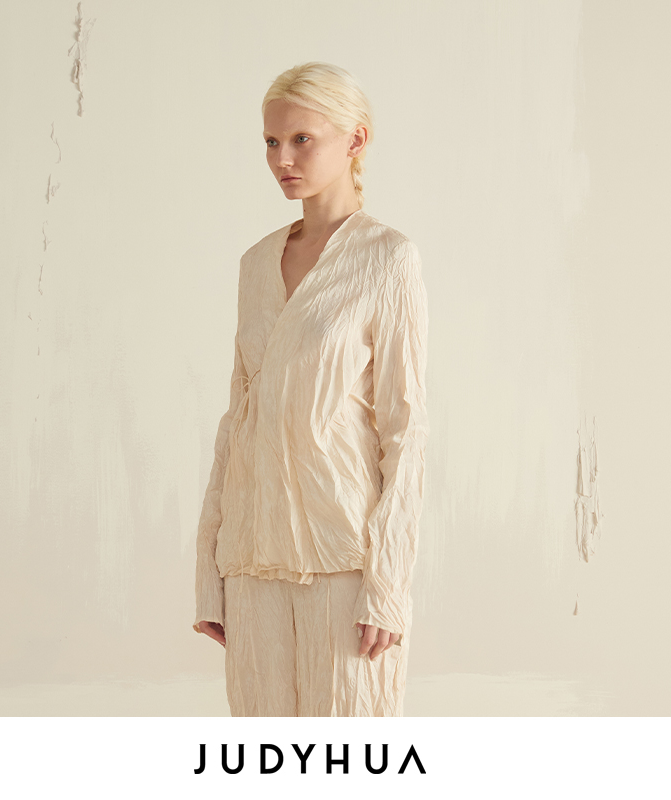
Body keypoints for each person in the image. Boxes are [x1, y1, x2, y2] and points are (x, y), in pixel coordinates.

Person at [193, 62, 429, 716]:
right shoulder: (255, 264)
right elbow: (236, 422)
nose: (282, 159)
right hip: (251, 559)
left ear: (355, 140)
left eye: (302, 139)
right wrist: (210, 572)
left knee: (349, 755)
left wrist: (387, 584)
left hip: (345, 559)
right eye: (272, 142)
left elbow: (405, 431)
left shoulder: (388, 258)